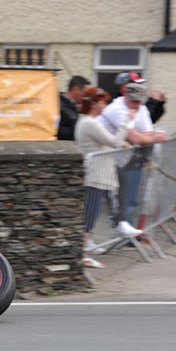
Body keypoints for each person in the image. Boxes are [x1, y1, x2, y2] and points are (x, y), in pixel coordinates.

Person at [74, 87, 136, 268]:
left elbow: (107, 142)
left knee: (108, 205)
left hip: (101, 174)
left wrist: (118, 144)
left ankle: (119, 224)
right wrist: (126, 120)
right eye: (102, 101)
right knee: (90, 215)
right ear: (93, 103)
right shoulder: (89, 123)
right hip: (96, 175)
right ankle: (85, 253)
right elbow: (114, 141)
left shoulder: (90, 121)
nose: (105, 104)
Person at [99, 77, 167, 234]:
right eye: (133, 101)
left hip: (119, 159)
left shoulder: (141, 108)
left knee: (123, 193)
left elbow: (146, 132)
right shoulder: (117, 108)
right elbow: (135, 138)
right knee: (96, 200)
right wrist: (150, 138)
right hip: (103, 157)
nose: (136, 105)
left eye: (138, 102)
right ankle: (101, 234)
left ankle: (120, 225)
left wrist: (145, 137)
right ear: (125, 95)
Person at [57, 75, 90, 140]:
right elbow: (56, 130)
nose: (85, 97)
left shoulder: (72, 106)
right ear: (76, 89)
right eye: (84, 93)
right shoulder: (58, 105)